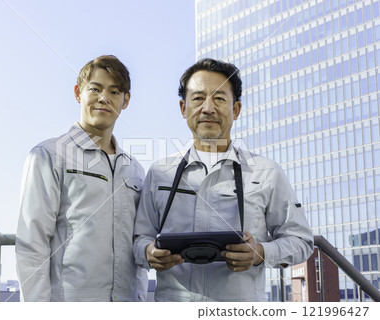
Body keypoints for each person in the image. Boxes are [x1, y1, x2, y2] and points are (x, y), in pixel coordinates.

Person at [133, 58, 314, 302]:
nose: (208, 108)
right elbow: (139, 238)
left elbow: (301, 241)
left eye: (219, 98)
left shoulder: (266, 172)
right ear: (183, 108)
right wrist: (148, 252)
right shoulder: (159, 172)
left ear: (236, 109)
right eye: (198, 98)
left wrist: (261, 252)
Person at [16, 55, 147, 302]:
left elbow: (138, 242)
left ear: (125, 100)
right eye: (95, 89)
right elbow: (32, 244)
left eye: (114, 91)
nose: (104, 98)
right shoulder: (49, 155)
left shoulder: (135, 170)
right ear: (78, 93)